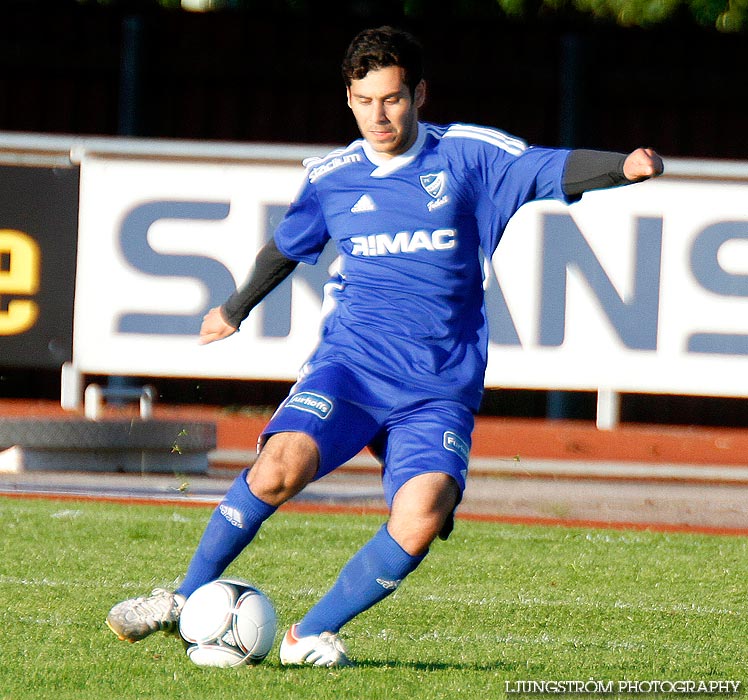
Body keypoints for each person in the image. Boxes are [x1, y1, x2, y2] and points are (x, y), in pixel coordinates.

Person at [106, 25, 663, 667]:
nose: (380, 114)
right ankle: (181, 599)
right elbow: (287, 246)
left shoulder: (468, 157)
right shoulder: (333, 177)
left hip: (438, 386)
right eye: (366, 100)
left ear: (419, 94)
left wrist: (621, 167)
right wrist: (234, 309)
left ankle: (307, 635)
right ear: (348, 99)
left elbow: (545, 166)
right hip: (352, 368)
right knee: (280, 464)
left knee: (424, 511)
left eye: (393, 98)